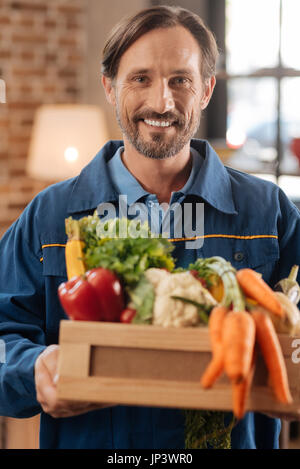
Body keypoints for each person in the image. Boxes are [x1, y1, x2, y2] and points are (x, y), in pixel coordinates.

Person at [0, 5, 300, 450]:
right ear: (109, 86)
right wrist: (32, 368)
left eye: (180, 80)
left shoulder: (267, 211)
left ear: (206, 90)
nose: (162, 102)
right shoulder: (49, 215)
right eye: (140, 78)